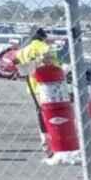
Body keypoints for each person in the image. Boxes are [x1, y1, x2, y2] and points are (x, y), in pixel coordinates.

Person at [16, 26, 59, 154]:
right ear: (43, 37)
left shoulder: (22, 51)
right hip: (49, 86)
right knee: (53, 114)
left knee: (40, 114)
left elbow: (20, 70)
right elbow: (56, 66)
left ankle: (45, 142)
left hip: (33, 87)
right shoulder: (46, 48)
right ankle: (55, 143)